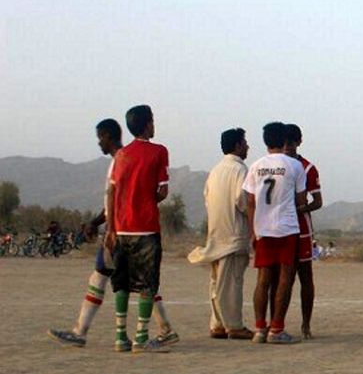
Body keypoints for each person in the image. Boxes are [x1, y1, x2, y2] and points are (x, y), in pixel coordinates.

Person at [49, 119, 176, 347]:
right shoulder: (126, 158)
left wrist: (104, 225)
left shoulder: (123, 159)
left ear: (108, 136)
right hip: (124, 227)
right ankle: (161, 328)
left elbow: (115, 200)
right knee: (139, 280)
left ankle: (85, 332)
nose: (99, 143)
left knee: (113, 278)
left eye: (100, 138)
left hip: (120, 229)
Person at [104, 105, 172, 353]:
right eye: (152, 121)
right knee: (147, 284)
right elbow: (162, 190)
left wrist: (111, 228)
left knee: (121, 283)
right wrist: (146, 200)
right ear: (146, 125)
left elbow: (112, 193)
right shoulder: (159, 152)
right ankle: (141, 337)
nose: (154, 126)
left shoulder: (121, 156)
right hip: (145, 228)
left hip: (121, 229)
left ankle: (120, 336)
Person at [243, 121, 307, 344]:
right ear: (284, 141)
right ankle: (277, 328)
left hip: (263, 228)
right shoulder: (294, 166)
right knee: (285, 279)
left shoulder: (255, 166)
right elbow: (301, 199)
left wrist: (253, 230)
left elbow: (250, 201)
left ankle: (260, 328)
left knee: (263, 279)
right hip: (287, 227)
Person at [187, 128, 254, 340]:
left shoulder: (215, 171)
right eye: (244, 143)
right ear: (237, 146)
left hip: (216, 234)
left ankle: (217, 324)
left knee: (217, 282)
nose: (247, 147)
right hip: (234, 235)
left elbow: (208, 200)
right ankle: (233, 325)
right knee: (232, 283)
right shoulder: (240, 170)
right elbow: (242, 201)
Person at [284, 124, 323, 339]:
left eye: (292, 142)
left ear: (299, 142)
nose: (288, 146)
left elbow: (317, 201)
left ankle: (306, 325)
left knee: (305, 276)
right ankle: (276, 324)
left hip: (301, 229)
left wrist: (300, 208)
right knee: (282, 278)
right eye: (285, 142)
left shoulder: (308, 168)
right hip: (280, 227)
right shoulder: (275, 166)